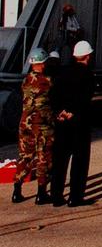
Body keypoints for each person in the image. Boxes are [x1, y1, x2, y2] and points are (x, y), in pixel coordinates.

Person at [51, 39, 96, 207]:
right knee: (80, 161)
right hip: (79, 123)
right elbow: (85, 98)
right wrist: (73, 112)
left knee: (60, 160)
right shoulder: (88, 75)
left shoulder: (62, 73)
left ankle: (56, 196)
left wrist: (60, 111)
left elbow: (53, 95)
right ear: (88, 56)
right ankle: (75, 197)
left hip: (62, 123)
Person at [12, 48, 54, 205]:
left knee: (25, 156)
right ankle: (41, 193)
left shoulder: (25, 80)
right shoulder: (47, 81)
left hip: (25, 122)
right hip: (41, 124)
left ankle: (17, 190)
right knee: (44, 157)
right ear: (42, 63)